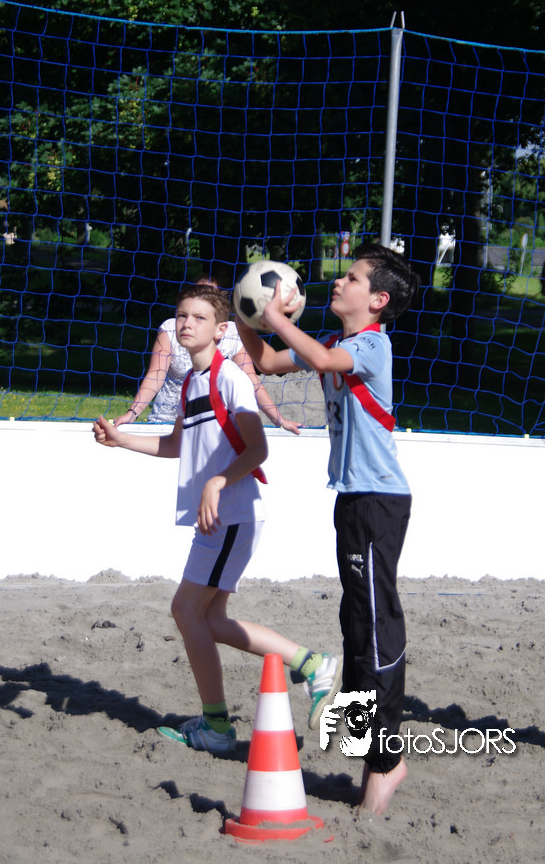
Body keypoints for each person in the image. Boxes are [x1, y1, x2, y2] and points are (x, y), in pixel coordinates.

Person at [92, 283, 342, 754]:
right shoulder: (192, 381)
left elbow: (258, 448)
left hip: (233, 515)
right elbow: (176, 445)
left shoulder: (230, 378)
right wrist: (121, 440)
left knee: (186, 611)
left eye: (199, 317)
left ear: (222, 330)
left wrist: (217, 482)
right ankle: (311, 664)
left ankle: (218, 725)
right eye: (181, 316)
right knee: (210, 619)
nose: (186, 323)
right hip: (217, 519)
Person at [235, 243, 420, 817]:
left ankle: (387, 764)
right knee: (355, 626)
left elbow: (318, 359)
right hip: (352, 499)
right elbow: (269, 363)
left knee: (376, 628)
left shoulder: (371, 345)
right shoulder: (340, 342)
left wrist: (273, 313)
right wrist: (245, 318)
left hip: (379, 503)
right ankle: (370, 758)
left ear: (378, 299)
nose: (339, 281)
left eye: (353, 278)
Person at [113, 280, 300, 434]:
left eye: (210, 297)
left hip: (211, 425)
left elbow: (253, 380)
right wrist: (132, 413)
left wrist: (279, 419)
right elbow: (156, 375)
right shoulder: (173, 329)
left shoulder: (233, 339)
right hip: (166, 422)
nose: (188, 322)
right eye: (183, 314)